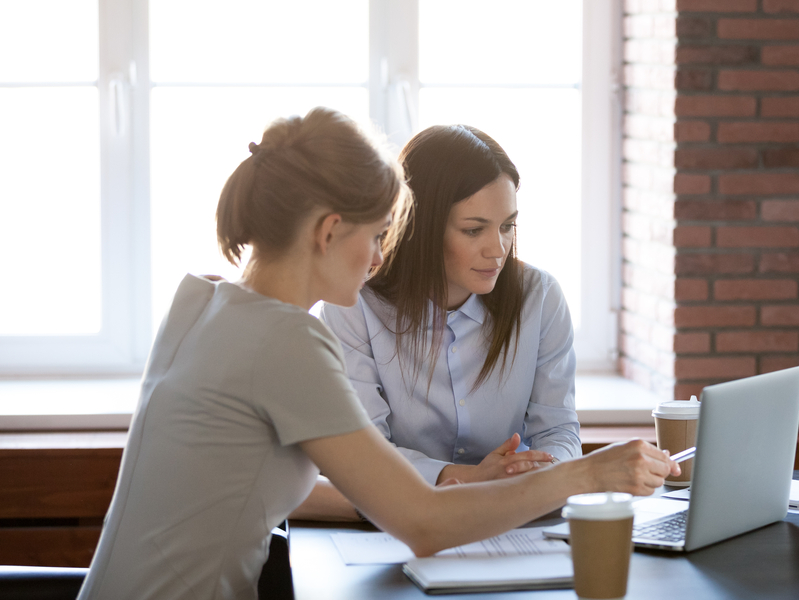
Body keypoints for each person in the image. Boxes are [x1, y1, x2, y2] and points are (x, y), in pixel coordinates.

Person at [76, 107, 679, 599]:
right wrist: (592, 472)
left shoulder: (202, 303)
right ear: (329, 231)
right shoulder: (288, 341)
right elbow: (421, 523)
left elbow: (249, 487)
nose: (381, 259)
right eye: (378, 235)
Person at [320, 124, 579, 486]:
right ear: (420, 226)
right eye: (474, 230)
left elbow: (560, 430)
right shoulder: (354, 305)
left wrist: (538, 470)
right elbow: (363, 450)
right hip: (391, 518)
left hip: (511, 510)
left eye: (507, 226)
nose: (498, 249)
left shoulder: (540, 297)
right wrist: (465, 478)